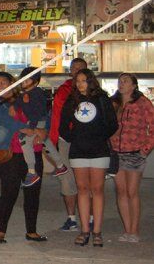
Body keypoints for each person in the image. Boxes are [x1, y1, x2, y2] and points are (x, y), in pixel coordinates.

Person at [60, 69, 118, 247]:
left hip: (99, 151)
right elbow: (63, 127)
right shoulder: (71, 101)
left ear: (91, 81)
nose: (80, 84)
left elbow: (112, 124)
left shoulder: (102, 99)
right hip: (78, 151)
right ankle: (85, 230)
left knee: (97, 189)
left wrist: (98, 137)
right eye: (77, 81)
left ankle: (97, 231)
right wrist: (74, 137)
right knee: (82, 189)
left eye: (84, 80)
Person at [0, 72, 48, 244]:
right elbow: (4, 122)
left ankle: (31, 231)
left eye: (3, 82)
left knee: (33, 193)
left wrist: (43, 129)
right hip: (11, 153)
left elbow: (43, 114)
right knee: (8, 193)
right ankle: (0, 231)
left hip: (33, 150)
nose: (0, 86)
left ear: (12, 83)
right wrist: (30, 128)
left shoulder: (26, 98)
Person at [110, 73, 154, 243]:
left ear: (134, 85)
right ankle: (127, 229)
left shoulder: (143, 103)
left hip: (135, 152)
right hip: (116, 152)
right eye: (120, 81)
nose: (122, 84)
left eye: (126, 81)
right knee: (121, 191)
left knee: (132, 191)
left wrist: (145, 149)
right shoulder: (114, 103)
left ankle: (134, 230)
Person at [14, 67, 68, 187]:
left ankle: (32, 171)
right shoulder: (25, 94)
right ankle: (60, 165)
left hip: (38, 121)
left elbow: (38, 112)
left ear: (35, 81)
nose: (24, 83)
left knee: (24, 141)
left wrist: (32, 127)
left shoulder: (37, 93)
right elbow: (18, 103)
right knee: (46, 143)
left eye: (27, 81)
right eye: (23, 80)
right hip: (36, 121)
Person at [49, 57, 86, 231]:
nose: (77, 70)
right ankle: (71, 218)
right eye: (74, 68)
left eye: (81, 68)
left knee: (88, 181)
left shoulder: (96, 93)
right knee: (67, 180)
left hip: (87, 141)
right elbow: (56, 116)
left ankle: (90, 217)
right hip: (66, 140)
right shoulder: (63, 90)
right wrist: (54, 140)